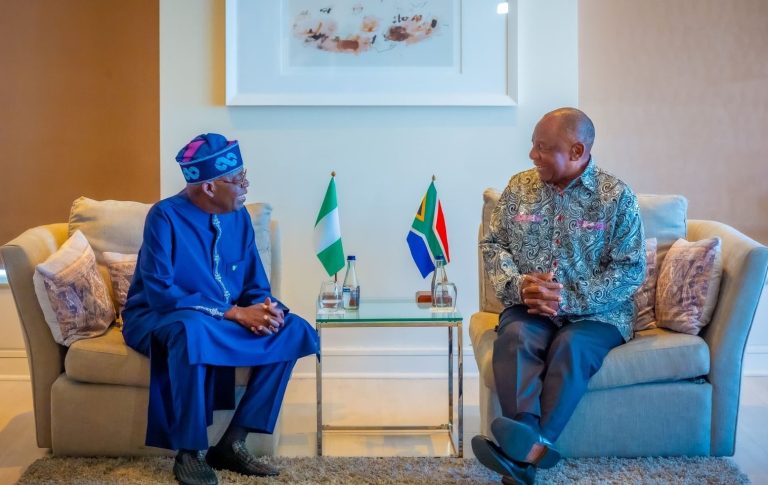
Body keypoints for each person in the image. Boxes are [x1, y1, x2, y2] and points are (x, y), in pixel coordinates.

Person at [122, 133, 319, 485]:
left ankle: (233, 441)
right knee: (191, 329)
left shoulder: (239, 217)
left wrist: (265, 309)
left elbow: (254, 284)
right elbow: (161, 293)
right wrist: (236, 314)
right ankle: (190, 451)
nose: (246, 185)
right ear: (209, 188)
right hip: (158, 317)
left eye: (245, 176)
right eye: (237, 179)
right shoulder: (164, 217)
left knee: (292, 328)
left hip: (218, 317)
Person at [472, 108, 646, 485]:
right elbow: (493, 244)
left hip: (598, 316)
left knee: (572, 347)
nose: (532, 156)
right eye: (533, 147)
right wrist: (519, 285)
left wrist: (567, 298)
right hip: (530, 307)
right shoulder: (519, 188)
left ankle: (523, 454)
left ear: (577, 149)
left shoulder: (616, 197)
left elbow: (631, 269)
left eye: (542, 148)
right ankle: (530, 448)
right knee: (515, 338)